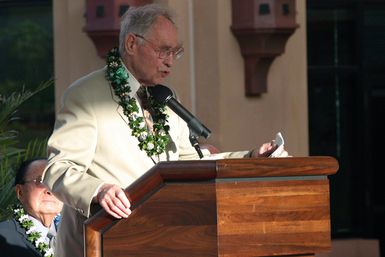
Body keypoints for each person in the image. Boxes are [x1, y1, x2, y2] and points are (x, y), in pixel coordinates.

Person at [43, 3, 289, 257]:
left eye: (176, 52)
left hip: (162, 240)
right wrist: (99, 190)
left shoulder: (166, 99)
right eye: (163, 51)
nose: (170, 62)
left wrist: (250, 158)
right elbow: (58, 169)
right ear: (131, 44)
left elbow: (189, 163)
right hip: (105, 241)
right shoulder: (87, 96)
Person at [0, 158, 63, 257]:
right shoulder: (3, 236)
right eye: (41, 181)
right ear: (20, 192)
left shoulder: (78, 235)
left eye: (56, 182)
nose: (50, 190)